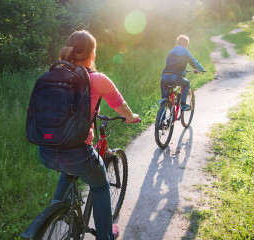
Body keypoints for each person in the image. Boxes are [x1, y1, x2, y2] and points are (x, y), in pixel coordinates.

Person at [38, 30, 140, 240]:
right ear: (92, 53)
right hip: (78, 153)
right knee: (101, 186)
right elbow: (122, 107)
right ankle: (105, 235)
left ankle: (58, 212)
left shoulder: (54, 75)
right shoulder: (97, 79)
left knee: (67, 168)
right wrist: (132, 117)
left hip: (46, 151)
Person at [161, 34, 205, 110]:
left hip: (164, 77)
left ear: (177, 43)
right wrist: (201, 70)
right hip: (176, 77)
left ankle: (161, 119)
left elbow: (168, 63)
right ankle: (183, 104)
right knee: (186, 83)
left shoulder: (171, 52)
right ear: (186, 44)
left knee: (165, 100)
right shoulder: (185, 52)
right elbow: (194, 62)